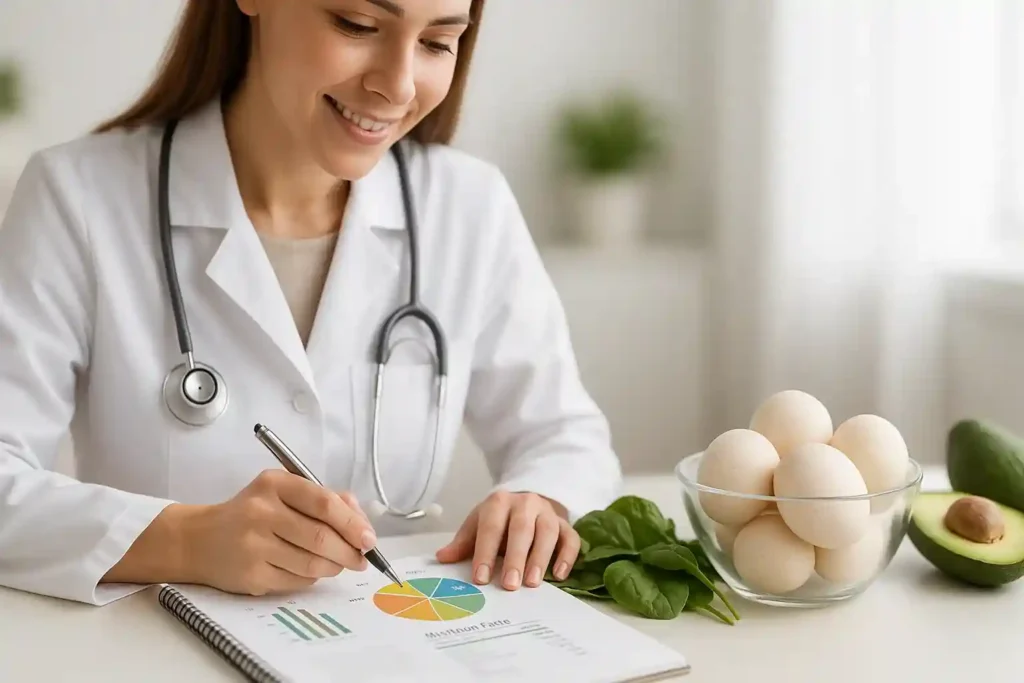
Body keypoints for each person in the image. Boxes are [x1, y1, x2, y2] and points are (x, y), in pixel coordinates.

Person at [0, 0, 622, 606]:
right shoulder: (76, 197)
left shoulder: (469, 205)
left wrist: (541, 500)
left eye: (437, 42)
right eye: (358, 24)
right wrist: (186, 540)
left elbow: (565, 437)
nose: (398, 85)